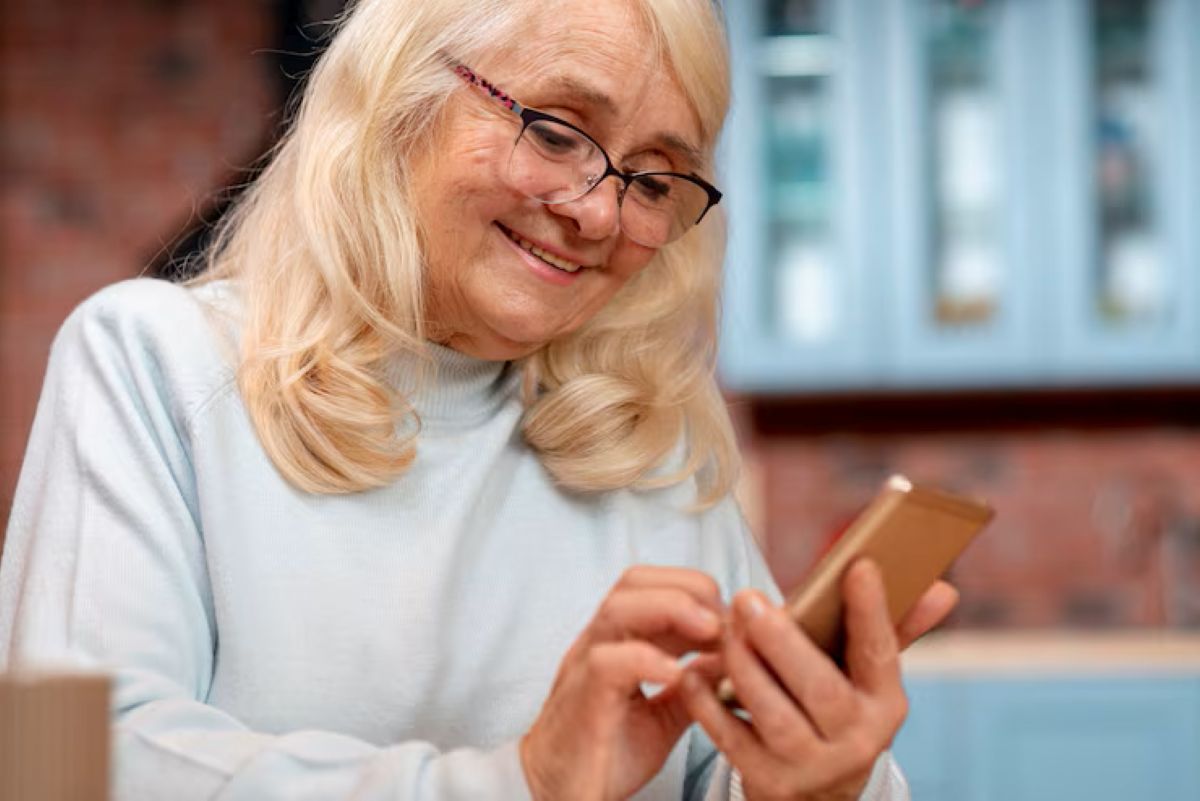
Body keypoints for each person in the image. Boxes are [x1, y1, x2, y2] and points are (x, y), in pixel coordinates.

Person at [0, 0, 958, 798]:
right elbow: (65, 765)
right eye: (556, 130)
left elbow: (728, 775)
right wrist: (517, 782)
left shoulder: (645, 446)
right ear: (399, 101)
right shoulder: (154, 361)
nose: (598, 211)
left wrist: (822, 782)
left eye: (652, 178)